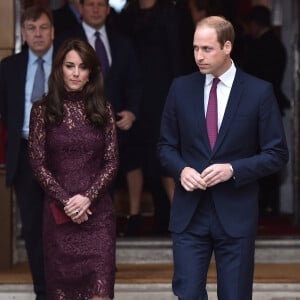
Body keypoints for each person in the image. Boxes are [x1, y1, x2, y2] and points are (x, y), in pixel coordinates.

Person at [158, 16, 289, 299]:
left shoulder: (259, 92)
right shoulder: (180, 88)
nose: (199, 56)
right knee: (188, 294)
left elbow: (277, 154)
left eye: (207, 49)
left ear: (227, 47)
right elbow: (165, 147)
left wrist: (233, 169)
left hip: (236, 214)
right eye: (195, 48)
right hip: (189, 215)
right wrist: (181, 170)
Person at [28, 38, 119, 299]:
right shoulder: (42, 110)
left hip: (97, 216)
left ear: (91, 72)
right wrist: (68, 201)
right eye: (70, 66)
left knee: (100, 291)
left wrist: (88, 197)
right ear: (59, 69)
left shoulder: (103, 109)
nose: (76, 73)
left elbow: (112, 162)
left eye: (82, 67)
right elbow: (37, 162)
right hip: (59, 216)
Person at [55, 0, 143, 235]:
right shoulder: (65, 40)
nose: (95, 9)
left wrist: (132, 112)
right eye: (90, 4)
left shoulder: (123, 42)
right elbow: (54, 83)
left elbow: (135, 83)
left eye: (100, 5)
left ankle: (105, 242)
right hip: (74, 133)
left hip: (115, 128)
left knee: (108, 188)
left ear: (107, 9)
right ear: (81, 9)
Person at [0, 6, 55, 299]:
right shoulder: (8, 67)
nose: (37, 34)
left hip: (61, 156)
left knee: (63, 228)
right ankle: (43, 292)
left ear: (53, 31)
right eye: (31, 28)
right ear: (22, 33)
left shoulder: (66, 64)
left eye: (43, 28)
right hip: (24, 155)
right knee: (33, 229)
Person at [117, 0, 183, 235]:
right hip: (132, 95)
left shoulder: (170, 13)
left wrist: (177, 99)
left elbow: (177, 59)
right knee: (132, 155)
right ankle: (134, 215)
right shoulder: (125, 15)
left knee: (164, 157)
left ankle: (180, 219)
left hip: (161, 96)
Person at [242, 5, 290, 216]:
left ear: (254, 24)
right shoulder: (276, 45)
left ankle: (264, 202)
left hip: (260, 109)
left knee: (261, 157)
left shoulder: (260, 47)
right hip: (271, 107)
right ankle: (267, 202)